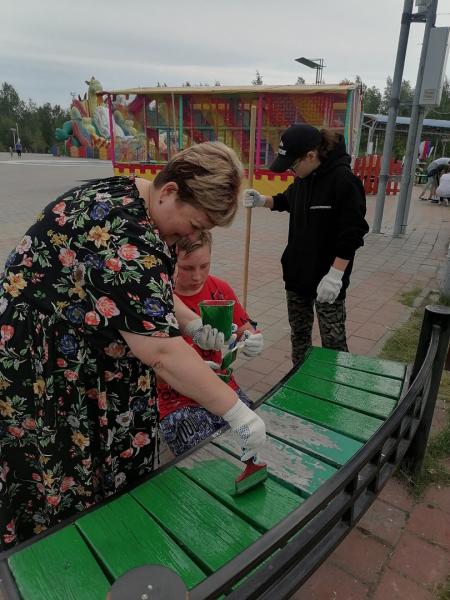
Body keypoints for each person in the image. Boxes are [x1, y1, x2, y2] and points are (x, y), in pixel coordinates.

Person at [0, 141, 266, 549]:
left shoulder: (134, 196)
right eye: (194, 224)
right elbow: (159, 352)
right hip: (46, 365)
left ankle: (113, 544)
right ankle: (70, 567)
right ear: (170, 192)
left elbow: (141, 286)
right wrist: (239, 414)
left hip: (78, 352)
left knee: (110, 470)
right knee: (64, 484)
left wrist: (191, 322)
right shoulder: (124, 228)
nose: (193, 237)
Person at [243, 124, 369, 366]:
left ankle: (335, 387)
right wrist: (262, 201)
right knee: (299, 337)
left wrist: (336, 275)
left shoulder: (344, 181)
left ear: (311, 156)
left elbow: (353, 232)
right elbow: (286, 200)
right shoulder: (303, 178)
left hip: (327, 279)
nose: (291, 171)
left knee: (333, 341)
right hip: (297, 274)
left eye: (292, 165)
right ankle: (298, 382)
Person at [157, 231, 264, 456]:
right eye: (187, 268)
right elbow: (150, 361)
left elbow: (245, 328)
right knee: (207, 456)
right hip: (177, 400)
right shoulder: (158, 300)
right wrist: (188, 370)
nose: (197, 276)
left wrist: (251, 340)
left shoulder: (219, 289)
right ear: (171, 263)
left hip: (223, 386)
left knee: (258, 440)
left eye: (204, 266)